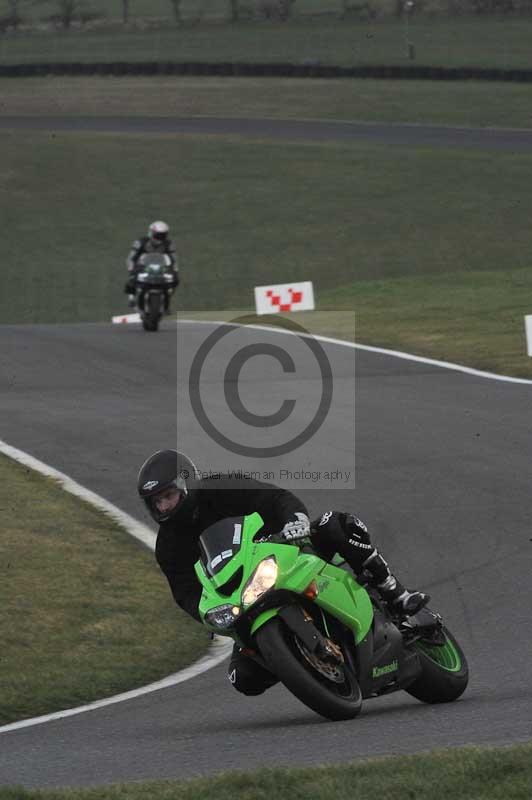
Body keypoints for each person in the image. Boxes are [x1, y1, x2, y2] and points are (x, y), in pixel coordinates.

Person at [137, 449, 429, 697]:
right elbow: (186, 592)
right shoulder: (167, 547)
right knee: (243, 678)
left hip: (286, 553)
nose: (163, 506)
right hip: (245, 598)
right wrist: (207, 613)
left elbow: (274, 499)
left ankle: (394, 591)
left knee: (334, 524)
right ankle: (298, 658)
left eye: (168, 495)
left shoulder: (222, 487)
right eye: (156, 502)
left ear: (186, 484)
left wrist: (294, 522)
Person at [124, 221, 179, 311]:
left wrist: (175, 271)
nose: (160, 238)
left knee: (174, 281)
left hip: (161, 267)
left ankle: (167, 300)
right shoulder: (141, 242)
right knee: (131, 280)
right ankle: (131, 298)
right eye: (158, 235)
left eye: (162, 235)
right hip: (142, 266)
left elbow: (174, 259)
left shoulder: (168, 244)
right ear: (151, 232)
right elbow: (131, 258)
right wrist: (131, 269)